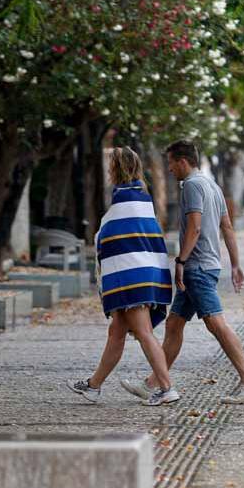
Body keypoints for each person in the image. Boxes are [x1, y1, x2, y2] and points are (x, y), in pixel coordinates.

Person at [121, 140, 244, 405]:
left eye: (171, 163)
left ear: (183, 161)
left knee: (216, 323)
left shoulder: (192, 186)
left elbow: (194, 228)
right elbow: (228, 227)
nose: (170, 169)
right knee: (175, 324)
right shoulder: (212, 185)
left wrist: (181, 261)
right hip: (207, 265)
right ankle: (153, 384)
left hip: (196, 267)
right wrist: (235, 264)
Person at [67, 147, 179, 406]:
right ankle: (94, 386)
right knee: (116, 332)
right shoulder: (141, 196)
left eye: (110, 166)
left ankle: (166, 388)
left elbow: (120, 238)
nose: (107, 171)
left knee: (143, 332)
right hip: (140, 272)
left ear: (116, 168)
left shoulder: (127, 196)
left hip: (131, 276)